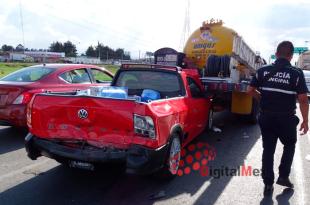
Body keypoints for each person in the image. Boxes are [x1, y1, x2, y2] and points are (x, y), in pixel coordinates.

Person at [247, 41, 309, 196]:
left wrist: (262, 99)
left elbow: (250, 90)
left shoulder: (263, 71)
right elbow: (302, 99)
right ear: (291, 56)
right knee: (289, 144)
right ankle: (283, 176)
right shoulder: (296, 73)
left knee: (268, 149)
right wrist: (306, 120)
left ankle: (268, 184)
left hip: (266, 116)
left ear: (276, 54)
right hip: (286, 119)